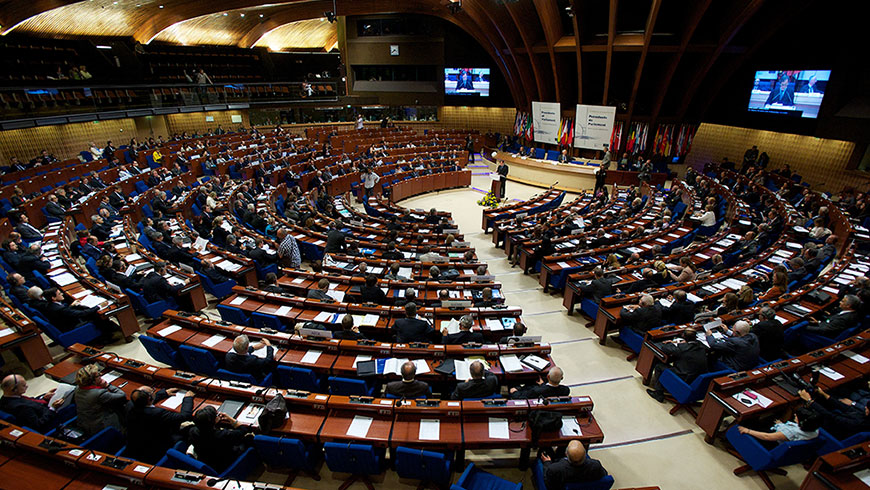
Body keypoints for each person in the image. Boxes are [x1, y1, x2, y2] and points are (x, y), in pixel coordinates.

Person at [646, 328, 708, 402]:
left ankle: (658, 393)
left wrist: (670, 343)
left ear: (683, 336)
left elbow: (665, 348)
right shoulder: (701, 345)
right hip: (696, 377)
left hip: (684, 376)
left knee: (659, 366)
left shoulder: (682, 348)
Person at [187, 405, 254, 474]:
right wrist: (230, 418)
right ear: (215, 420)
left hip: (207, 460)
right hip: (224, 463)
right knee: (249, 437)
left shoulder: (192, 431)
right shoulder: (223, 435)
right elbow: (243, 429)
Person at [72, 364, 127, 437]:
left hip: (84, 422)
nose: (101, 375)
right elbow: (122, 395)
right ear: (92, 380)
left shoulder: (78, 388)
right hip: (101, 425)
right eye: (98, 375)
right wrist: (108, 385)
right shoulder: (98, 394)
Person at [799, 388, 870, 441]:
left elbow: (831, 417)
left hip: (832, 431)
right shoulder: (865, 415)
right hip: (836, 421)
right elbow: (847, 408)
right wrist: (825, 395)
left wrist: (809, 401)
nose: (865, 407)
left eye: (867, 408)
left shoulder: (858, 423)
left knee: (805, 411)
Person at [0, 374, 64, 432]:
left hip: (41, 409)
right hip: (50, 419)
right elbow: (38, 425)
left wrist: (43, 398)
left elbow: (30, 401)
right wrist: (53, 408)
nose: (27, 386)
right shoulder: (21, 408)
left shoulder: (5, 398)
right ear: (14, 389)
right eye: (23, 385)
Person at [540, 439, 608, 490]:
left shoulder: (555, 469)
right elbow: (604, 474)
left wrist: (547, 462)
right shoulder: (595, 465)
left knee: (545, 450)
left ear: (566, 454)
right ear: (585, 454)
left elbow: (548, 484)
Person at [736, 406, 822, 442]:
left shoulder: (790, 432)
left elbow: (767, 437)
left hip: (770, 442)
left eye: (797, 416)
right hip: (780, 432)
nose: (795, 415)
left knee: (748, 421)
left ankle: (730, 436)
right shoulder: (815, 430)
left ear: (803, 422)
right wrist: (782, 425)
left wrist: (748, 431)